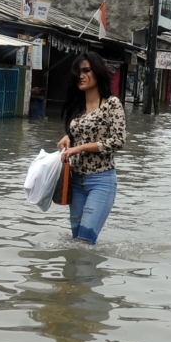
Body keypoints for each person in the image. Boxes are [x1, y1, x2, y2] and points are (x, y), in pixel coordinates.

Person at [57, 52, 126, 245]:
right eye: (78, 72)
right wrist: (67, 139)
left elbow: (118, 141)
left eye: (86, 70)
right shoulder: (77, 106)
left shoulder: (112, 104)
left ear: (97, 72)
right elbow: (78, 134)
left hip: (101, 182)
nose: (81, 75)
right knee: (75, 242)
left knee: (85, 241)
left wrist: (79, 149)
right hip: (76, 182)